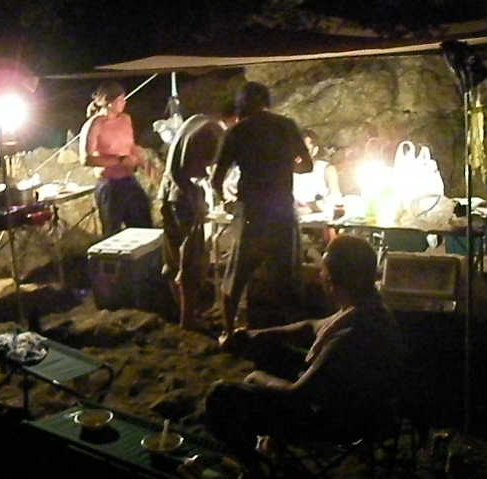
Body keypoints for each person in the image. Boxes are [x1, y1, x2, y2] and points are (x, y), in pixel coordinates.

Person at [204, 234, 406, 472]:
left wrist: (257, 378)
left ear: (330, 280)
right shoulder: (369, 308)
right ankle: (274, 445)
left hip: (338, 422)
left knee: (221, 396)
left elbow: (296, 394)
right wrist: (253, 335)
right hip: (356, 402)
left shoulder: (350, 335)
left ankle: (255, 469)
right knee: (268, 346)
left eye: (322, 271)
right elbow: (311, 327)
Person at [210, 82, 313, 339]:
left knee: (237, 274)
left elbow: (216, 179)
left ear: (241, 105)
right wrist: (284, 166)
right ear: (266, 101)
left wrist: (226, 200)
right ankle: (293, 333)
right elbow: (307, 166)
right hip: (281, 209)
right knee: (287, 277)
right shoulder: (286, 125)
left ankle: (228, 331)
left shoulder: (236, 132)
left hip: (252, 212)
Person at [157, 105, 237, 330]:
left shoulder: (196, 120)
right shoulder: (215, 131)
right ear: (234, 119)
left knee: (173, 256)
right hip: (186, 197)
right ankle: (188, 319)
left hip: (168, 192)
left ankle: (183, 312)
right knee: (191, 259)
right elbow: (210, 172)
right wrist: (224, 197)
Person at [79, 82, 153, 238]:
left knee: (144, 225)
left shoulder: (125, 119)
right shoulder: (95, 124)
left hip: (129, 179)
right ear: (109, 103)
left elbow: (131, 145)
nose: (124, 102)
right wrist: (118, 161)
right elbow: (86, 158)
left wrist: (143, 163)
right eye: (120, 100)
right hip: (109, 184)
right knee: (112, 232)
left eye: (124, 99)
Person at [293, 128, 342, 216]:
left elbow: (336, 199)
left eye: (305, 150)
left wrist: (311, 207)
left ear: (315, 150)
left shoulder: (327, 169)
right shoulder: (284, 171)